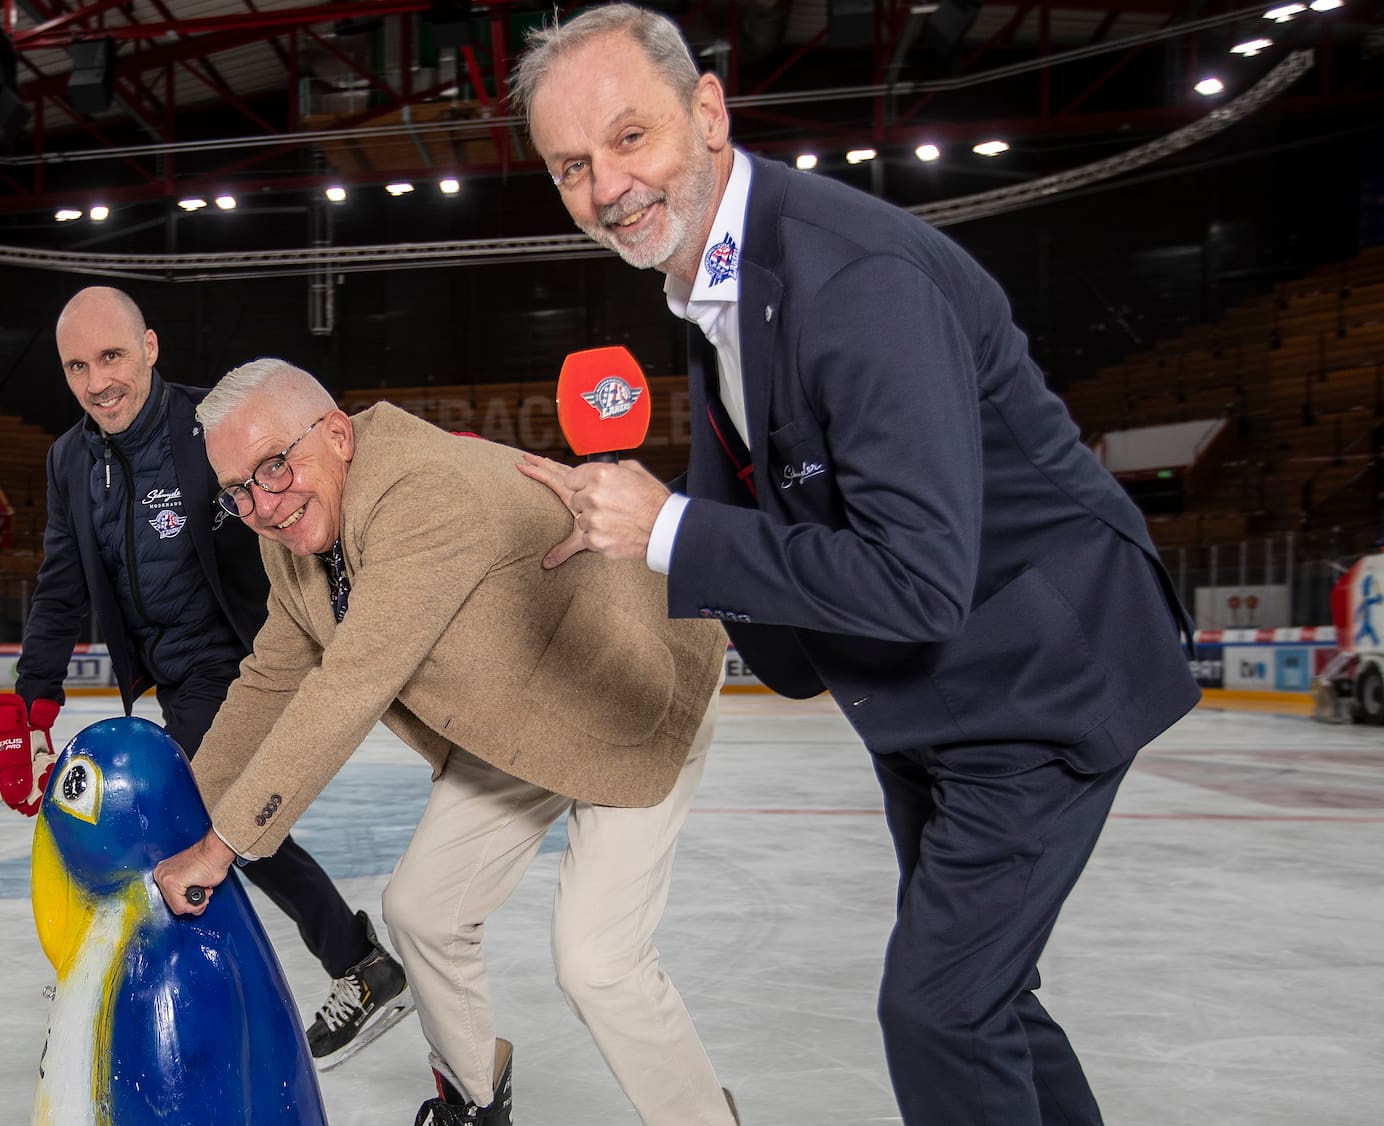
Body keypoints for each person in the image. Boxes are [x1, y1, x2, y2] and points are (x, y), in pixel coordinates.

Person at [510, 8, 1201, 1126]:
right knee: (982, 1000)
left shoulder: (852, 275)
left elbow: (918, 573)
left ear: (707, 111)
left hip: (1039, 667)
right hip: (930, 692)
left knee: (939, 1012)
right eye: (570, 168)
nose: (605, 187)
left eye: (628, 139)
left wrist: (670, 528)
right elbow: (763, 526)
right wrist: (637, 548)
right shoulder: (710, 283)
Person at [150, 359, 739, 1126]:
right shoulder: (289, 531)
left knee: (597, 960)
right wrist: (177, 816)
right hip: (514, 709)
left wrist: (222, 844)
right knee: (421, 911)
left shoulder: (423, 493)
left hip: (628, 689)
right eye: (237, 490)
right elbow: (271, 680)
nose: (262, 504)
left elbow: (348, 686)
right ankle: (475, 1098)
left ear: (335, 435)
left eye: (273, 466)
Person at [0, 286, 410, 1067]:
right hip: (169, 675)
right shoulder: (69, 460)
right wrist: (31, 707)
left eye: (111, 356)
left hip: (241, 655)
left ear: (149, 348)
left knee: (211, 813)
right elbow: (62, 582)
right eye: (78, 366)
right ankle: (339, 963)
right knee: (210, 816)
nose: (98, 381)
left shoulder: (212, 426)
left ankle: (351, 963)